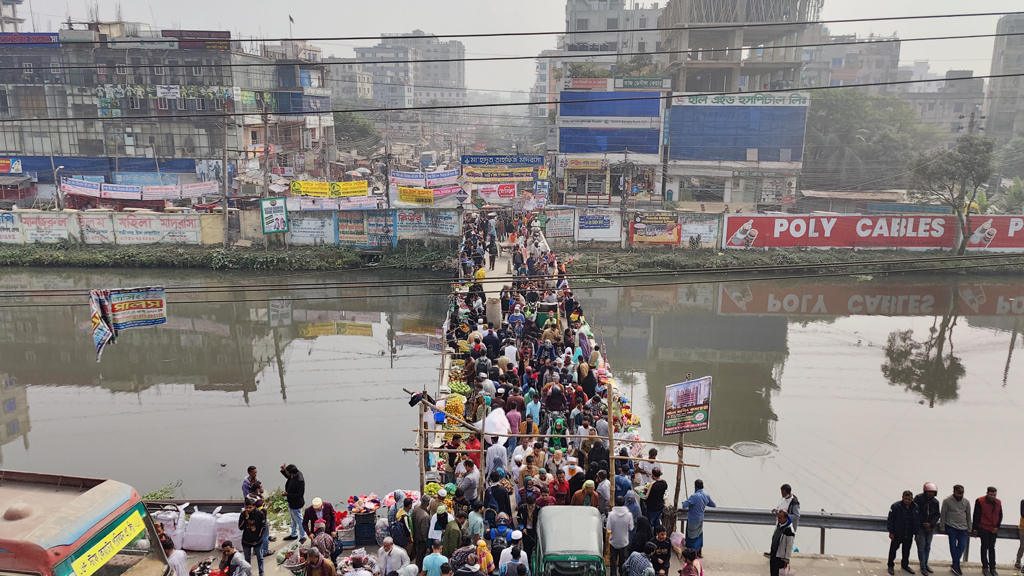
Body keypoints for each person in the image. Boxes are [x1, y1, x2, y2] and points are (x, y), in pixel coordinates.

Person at [938, 485, 971, 576]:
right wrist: (942, 527)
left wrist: (970, 528)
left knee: (962, 546)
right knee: (953, 546)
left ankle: (955, 564)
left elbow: (968, 515)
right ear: (954, 492)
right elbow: (943, 515)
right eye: (958, 493)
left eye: (961, 493)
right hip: (951, 526)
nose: (960, 495)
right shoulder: (947, 501)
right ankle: (956, 565)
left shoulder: (966, 502)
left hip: (963, 528)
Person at [887, 490, 921, 576]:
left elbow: (917, 521)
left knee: (906, 550)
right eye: (905, 499)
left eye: (909, 499)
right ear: (902, 498)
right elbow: (890, 520)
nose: (907, 501)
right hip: (898, 532)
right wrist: (891, 532)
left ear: (912, 499)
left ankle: (905, 565)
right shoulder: (896, 506)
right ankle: (890, 565)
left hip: (909, 533)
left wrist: (916, 533)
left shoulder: (915, 507)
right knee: (893, 549)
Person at [972, 486, 1003, 576]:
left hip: (993, 528)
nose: (993, 497)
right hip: (983, 527)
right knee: (984, 546)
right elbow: (976, 515)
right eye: (991, 494)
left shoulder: (998, 503)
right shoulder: (980, 501)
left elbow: (1000, 515)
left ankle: (993, 568)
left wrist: (997, 527)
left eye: (994, 495)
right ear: (987, 493)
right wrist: (975, 528)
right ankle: (985, 567)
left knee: (992, 548)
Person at [680, 479, 715, 557]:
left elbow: (684, 506)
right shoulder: (706, 494)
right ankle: (699, 552)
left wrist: (688, 501)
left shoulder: (694, 496)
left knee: (691, 537)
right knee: (699, 536)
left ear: (695, 487)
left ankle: (691, 555)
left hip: (693, 520)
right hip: (700, 519)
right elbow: (713, 504)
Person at [914, 483, 940, 575]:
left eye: (933, 492)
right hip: (920, 527)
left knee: (928, 546)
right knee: (921, 547)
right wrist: (924, 523)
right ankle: (923, 566)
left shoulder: (936, 502)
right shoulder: (918, 498)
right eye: (929, 492)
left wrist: (931, 524)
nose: (931, 494)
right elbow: (916, 512)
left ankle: (926, 563)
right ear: (925, 491)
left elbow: (937, 514)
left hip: (930, 528)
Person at [239, 497, 267, 576]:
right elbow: (240, 527)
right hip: (246, 540)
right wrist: (246, 519)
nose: (248, 509)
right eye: (246, 507)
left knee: (260, 558)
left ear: (254, 506)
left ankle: (261, 573)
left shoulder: (260, 514)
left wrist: (259, 537)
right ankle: (249, 573)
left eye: (250, 507)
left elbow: (263, 527)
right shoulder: (243, 514)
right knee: (247, 559)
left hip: (257, 540)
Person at [607, 496, 635, 576]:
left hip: (613, 541)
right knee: (622, 561)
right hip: (624, 542)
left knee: (613, 560)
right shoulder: (629, 515)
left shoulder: (611, 514)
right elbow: (631, 528)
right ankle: (621, 573)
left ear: (616, 503)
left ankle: (613, 574)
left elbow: (608, 527)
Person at [281, 464, 306, 542]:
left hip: (296, 504)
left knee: (299, 520)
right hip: (291, 502)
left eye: (287, 472)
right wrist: (283, 471)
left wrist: (288, 494)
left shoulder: (300, 481)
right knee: (293, 520)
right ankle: (294, 534)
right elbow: (288, 477)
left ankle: (303, 536)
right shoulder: (294, 475)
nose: (287, 473)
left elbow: (300, 494)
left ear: (292, 473)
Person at [769, 510, 795, 576]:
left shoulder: (789, 530)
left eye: (780, 518)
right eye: (778, 517)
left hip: (780, 557)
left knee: (778, 573)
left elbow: (789, 546)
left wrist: (787, 558)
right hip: (774, 553)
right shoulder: (779, 524)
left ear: (786, 518)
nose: (778, 519)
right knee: (772, 572)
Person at [414, 495, 434, 567]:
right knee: (421, 555)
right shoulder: (425, 516)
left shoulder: (416, 507)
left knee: (418, 554)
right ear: (428, 504)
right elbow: (424, 531)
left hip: (416, 535)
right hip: (421, 539)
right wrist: (427, 543)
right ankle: (420, 569)